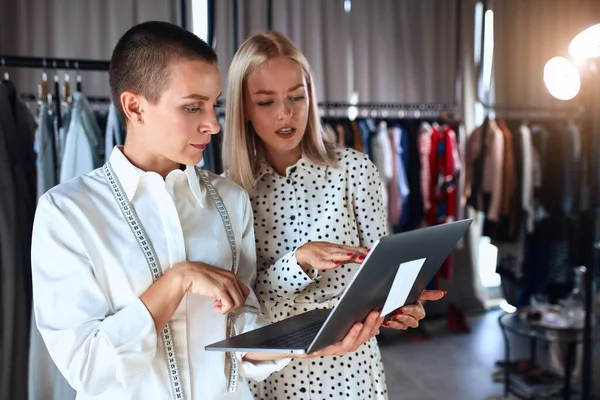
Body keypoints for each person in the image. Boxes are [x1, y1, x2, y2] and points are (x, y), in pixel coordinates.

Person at [30, 22, 382, 400]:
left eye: (213, 104)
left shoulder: (230, 199)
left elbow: (240, 336)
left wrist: (312, 342)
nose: (213, 124)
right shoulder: (67, 213)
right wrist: (177, 281)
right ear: (134, 107)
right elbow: (87, 367)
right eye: (192, 107)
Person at [222, 31, 446, 399]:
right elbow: (241, 301)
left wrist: (402, 304)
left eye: (297, 96)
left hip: (351, 371)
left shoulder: (354, 171)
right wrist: (298, 261)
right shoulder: (231, 192)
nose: (285, 112)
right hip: (278, 376)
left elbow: (382, 270)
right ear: (243, 108)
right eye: (266, 102)